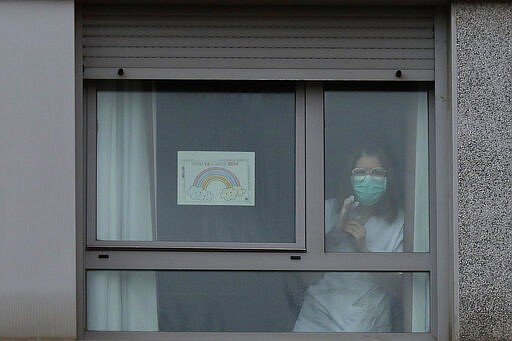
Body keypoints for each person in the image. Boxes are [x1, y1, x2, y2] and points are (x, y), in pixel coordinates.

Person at [294, 146, 404, 332]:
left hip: (366, 324)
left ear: (388, 178)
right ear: (349, 176)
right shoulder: (327, 210)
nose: (368, 179)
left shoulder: (399, 223)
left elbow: (400, 288)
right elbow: (305, 276)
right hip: (316, 320)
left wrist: (364, 252)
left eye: (376, 172)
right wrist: (335, 234)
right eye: (360, 172)